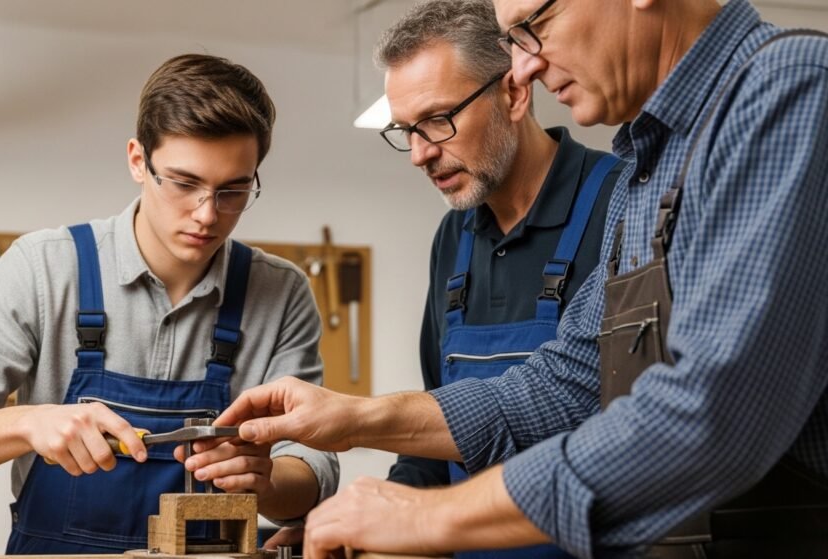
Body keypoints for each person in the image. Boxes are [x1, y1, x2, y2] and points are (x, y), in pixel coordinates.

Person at [203, 0, 828, 557]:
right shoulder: (648, 169)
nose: (524, 66)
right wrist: (356, 417)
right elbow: (565, 384)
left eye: (534, 25)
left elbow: (712, 416)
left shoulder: (789, 88)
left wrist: (429, 518)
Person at [0, 53, 338, 555]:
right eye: (185, 184)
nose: (207, 215)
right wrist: (28, 423)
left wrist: (268, 480)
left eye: (232, 190)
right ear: (137, 160)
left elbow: (315, 466)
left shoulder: (282, 294)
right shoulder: (43, 267)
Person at [374, 1, 621, 557]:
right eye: (406, 130)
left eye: (438, 120)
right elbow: (434, 435)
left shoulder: (623, 206)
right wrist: (378, 521)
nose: (419, 154)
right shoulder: (452, 236)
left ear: (513, 93)